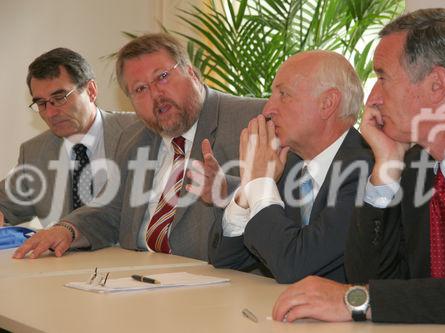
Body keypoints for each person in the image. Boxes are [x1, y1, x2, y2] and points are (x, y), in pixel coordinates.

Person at [272, 8, 445, 328]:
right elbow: (368, 275)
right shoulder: (413, 161)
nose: (373, 99)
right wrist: (385, 171)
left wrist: (361, 301)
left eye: (382, 77)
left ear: (436, 84)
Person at [13, 33, 264, 260]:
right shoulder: (135, 137)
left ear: (191, 73)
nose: (156, 95)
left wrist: (228, 190)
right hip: (136, 275)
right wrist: (66, 229)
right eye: (140, 89)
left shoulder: (251, 120)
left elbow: (286, 206)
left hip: (216, 285)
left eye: (162, 77)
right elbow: (111, 210)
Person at [208, 51, 373, 283]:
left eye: (283, 94)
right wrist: (248, 188)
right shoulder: (288, 164)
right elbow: (226, 259)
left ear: (328, 103)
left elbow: (295, 265)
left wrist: (261, 184)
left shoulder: (367, 170)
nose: (268, 110)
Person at [0, 48, 137, 228]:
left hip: (131, 254)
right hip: (65, 255)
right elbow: (5, 204)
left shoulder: (138, 130)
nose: (50, 112)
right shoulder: (34, 152)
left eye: (60, 97)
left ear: (91, 91)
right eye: (41, 103)